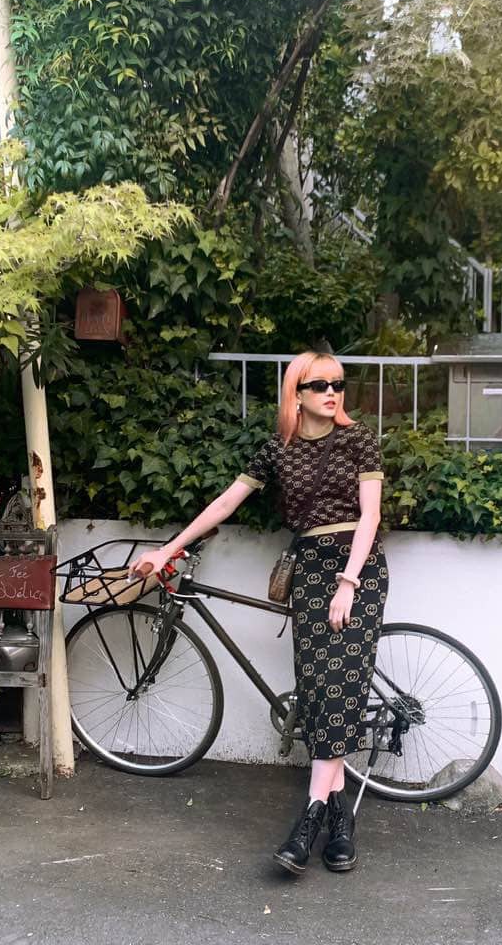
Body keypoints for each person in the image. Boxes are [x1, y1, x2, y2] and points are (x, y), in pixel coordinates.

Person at [131, 351, 387, 876]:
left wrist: (348, 582)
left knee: (339, 684)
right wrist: (168, 549)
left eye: (337, 384)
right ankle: (341, 818)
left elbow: (371, 514)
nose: (331, 393)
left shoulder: (359, 439)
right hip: (309, 570)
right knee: (318, 689)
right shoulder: (278, 450)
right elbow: (225, 504)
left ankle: (309, 820)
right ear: (296, 393)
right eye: (319, 385)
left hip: (357, 571)